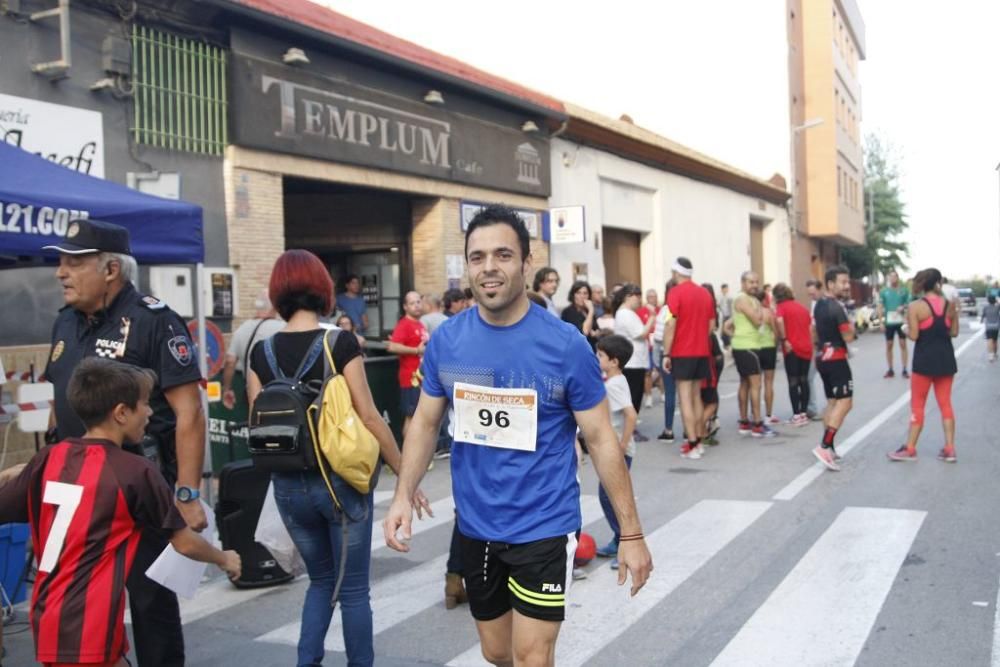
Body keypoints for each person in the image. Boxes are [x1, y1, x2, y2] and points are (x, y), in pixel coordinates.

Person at [383, 205, 652, 667]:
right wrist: (402, 494)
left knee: (532, 657)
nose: (489, 267)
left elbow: (602, 438)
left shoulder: (565, 344)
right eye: (477, 257)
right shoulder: (448, 340)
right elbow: (426, 423)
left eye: (503, 255)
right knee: (497, 653)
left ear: (526, 263)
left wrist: (631, 532)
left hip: (544, 525)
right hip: (476, 524)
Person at [247, 249, 429, 667]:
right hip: (338, 484)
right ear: (322, 289)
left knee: (319, 583)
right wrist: (406, 478)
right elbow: (368, 416)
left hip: (288, 489)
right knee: (352, 592)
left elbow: (258, 423)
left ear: (278, 292)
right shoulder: (338, 343)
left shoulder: (262, 352)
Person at [0, 359, 241, 667]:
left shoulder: (48, 459)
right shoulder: (134, 471)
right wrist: (225, 558)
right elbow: (185, 543)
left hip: (48, 618)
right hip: (90, 624)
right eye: (144, 404)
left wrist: (15, 474)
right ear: (121, 413)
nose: (150, 413)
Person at [42, 218, 206, 666]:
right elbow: (61, 401)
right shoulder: (65, 324)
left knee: (150, 603)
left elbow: (190, 413)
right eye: (61, 262)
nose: (61, 272)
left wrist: (187, 493)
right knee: (82, 600)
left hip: (139, 491)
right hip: (81, 492)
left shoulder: (154, 321)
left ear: (110, 269)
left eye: (73, 262)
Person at [888, 268, 960, 463]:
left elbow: (914, 335)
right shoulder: (950, 305)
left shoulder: (915, 306)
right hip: (946, 360)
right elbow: (954, 332)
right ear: (938, 282)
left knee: (918, 404)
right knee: (945, 403)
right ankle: (950, 448)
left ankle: (910, 448)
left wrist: (905, 327)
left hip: (924, 362)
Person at [662, 258, 715, 459]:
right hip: (701, 351)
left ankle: (692, 443)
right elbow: (711, 326)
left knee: (684, 398)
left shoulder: (675, 292)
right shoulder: (704, 293)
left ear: (676, 272)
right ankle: (699, 441)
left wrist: (667, 353)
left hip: (682, 352)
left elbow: (670, 324)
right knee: (696, 397)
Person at [593, 335, 637, 569]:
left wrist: (622, 445)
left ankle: (623, 542)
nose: (596, 358)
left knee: (610, 496)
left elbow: (631, 415)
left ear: (614, 362)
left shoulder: (615, 384)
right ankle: (617, 538)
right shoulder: (613, 381)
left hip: (619, 451)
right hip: (614, 449)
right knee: (609, 496)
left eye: (600, 355)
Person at [812, 265, 856, 471]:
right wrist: (852, 326)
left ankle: (828, 447)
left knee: (832, 402)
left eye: (848, 282)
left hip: (822, 356)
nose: (847, 286)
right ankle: (824, 445)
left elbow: (813, 331)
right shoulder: (837, 307)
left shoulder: (819, 304)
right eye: (843, 282)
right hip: (836, 357)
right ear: (831, 284)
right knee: (845, 402)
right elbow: (848, 335)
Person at [726, 271, 773, 438]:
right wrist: (761, 311)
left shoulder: (751, 300)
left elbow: (729, 324)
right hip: (747, 347)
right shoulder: (742, 299)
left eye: (756, 282)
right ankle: (757, 423)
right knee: (756, 384)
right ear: (743, 283)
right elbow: (757, 320)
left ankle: (745, 421)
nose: (754, 285)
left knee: (745, 383)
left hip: (748, 345)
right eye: (751, 282)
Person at [222, 290, 284, 410]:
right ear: (275, 307)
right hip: (278, 395)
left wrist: (227, 389)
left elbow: (230, 361)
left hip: (250, 394)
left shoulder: (242, 329)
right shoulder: (282, 328)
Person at [612, 284, 654, 441]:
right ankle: (629, 431)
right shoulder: (625, 314)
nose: (640, 300)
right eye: (638, 296)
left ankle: (630, 429)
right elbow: (641, 333)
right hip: (632, 363)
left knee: (634, 397)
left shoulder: (628, 313)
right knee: (632, 398)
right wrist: (652, 317)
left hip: (636, 361)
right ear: (628, 296)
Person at [388, 291, 429, 437]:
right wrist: (416, 349)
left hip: (422, 378)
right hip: (411, 378)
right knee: (411, 417)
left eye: (418, 302)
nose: (417, 306)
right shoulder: (404, 324)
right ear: (405, 307)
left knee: (420, 417)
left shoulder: (420, 324)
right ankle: (408, 454)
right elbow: (392, 346)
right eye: (412, 303)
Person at [773, 284, 813, 426]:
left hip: (792, 348)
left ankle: (796, 415)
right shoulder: (802, 308)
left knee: (793, 381)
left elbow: (778, 320)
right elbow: (810, 326)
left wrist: (784, 339)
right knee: (804, 380)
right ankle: (803, 414)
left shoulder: (781, 307)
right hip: (806, 347)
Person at [699, 283, 724, 445]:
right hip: (706, 368)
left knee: (699, 400)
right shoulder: (707, 330)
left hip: (690, 363)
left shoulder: (673, 310)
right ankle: (698, 427)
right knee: (712, 401)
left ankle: (701, 432)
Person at [653, 281, 678, 443]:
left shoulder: (666, 310)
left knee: (670, 393)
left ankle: (668, 430)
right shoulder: (682, 308)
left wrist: (658, 360)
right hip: (687, 353)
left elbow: (658, 337)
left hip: (668, 354)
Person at [879, 270, 911, 378]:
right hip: (889, 322)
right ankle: (890, 369)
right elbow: (880, 307)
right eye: (891, 277)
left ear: (898, 278)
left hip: (900, 321)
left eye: (894, 277)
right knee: (889, 344)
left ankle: (905, 369)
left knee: (903, 343)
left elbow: (909, 304)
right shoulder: (884, 292)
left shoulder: (904, 291)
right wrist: (881, 322)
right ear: (888, 279)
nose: (893, 279)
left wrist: (903, 307)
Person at [757, 289, 781, 426]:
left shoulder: (751, 312)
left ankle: (755, 414)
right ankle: (768, 414)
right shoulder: (768, 312)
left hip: (754, 347)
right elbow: (775, 331)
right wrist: (775, 343)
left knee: (754, 384)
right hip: (768, 348)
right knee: (768, 382)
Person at [804, 279, 825, 420]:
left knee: (823, 377)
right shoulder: (814, 303)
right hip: (816, 345)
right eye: (809, 294)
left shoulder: (825, 304)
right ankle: (812, 408)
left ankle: (818, 408)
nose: (812, 296)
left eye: (813, 293)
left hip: (823, 345)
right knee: (809, 377)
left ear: (820, 289)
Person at [560, 280, 598, 348]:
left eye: (585, 293)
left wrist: (596, 333)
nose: (582, 296)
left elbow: (597, 329)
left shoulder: (587, 310)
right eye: (578, 293)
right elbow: (584, 332)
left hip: (592, 348)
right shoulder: (568, 312)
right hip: (578, 349)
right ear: (573, 295)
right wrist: (591, 310)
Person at [982, 295, 1000, 361]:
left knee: (989, 340)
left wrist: (981, 320)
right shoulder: (997, 307)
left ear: (988, 300)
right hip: (996, 326)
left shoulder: (986, 307)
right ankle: (995, 353)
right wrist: (997, 300)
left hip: (988, 326)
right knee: (995, 341)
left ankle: (991, 355)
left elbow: (983, 315)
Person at [719, 283, 734, 349]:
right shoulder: (721, 297)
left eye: (727, 288)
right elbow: (720, 306)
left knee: (727, 330)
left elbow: (731, 308)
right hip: (724, 316)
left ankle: (728, 345)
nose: (726, 290)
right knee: (723, 332)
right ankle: (726, 345)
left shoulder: (729, 297)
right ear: (722, 289)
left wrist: (731, 317)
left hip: (728, 316)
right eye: (724, 288)